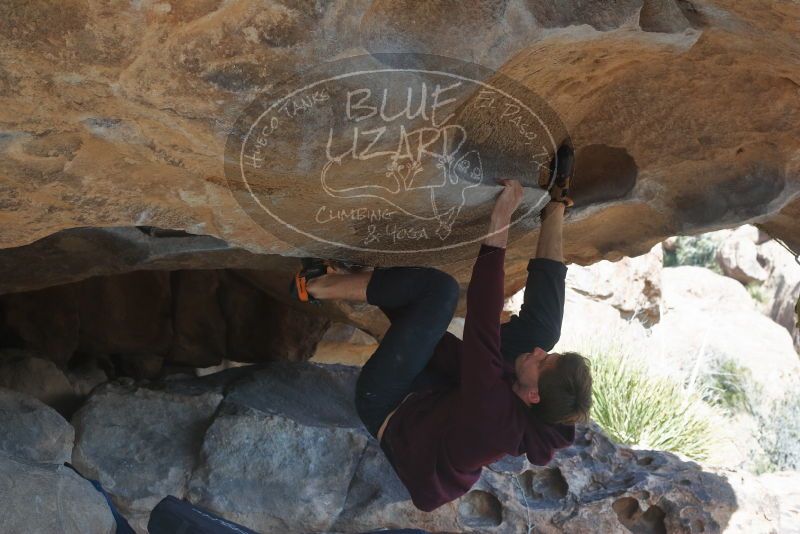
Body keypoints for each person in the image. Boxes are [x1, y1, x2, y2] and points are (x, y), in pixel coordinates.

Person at [290, 144, 593, 512]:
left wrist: (500, 220)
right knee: (543, 330)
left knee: (440, 291)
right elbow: (531, 349)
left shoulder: (493, 419)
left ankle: (315, 286)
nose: (541, 355)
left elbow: (483, 316)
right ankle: (556, 206)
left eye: (543, 364)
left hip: (391, 402)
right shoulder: (538, 397)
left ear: (533, 397)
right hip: (444, 390)